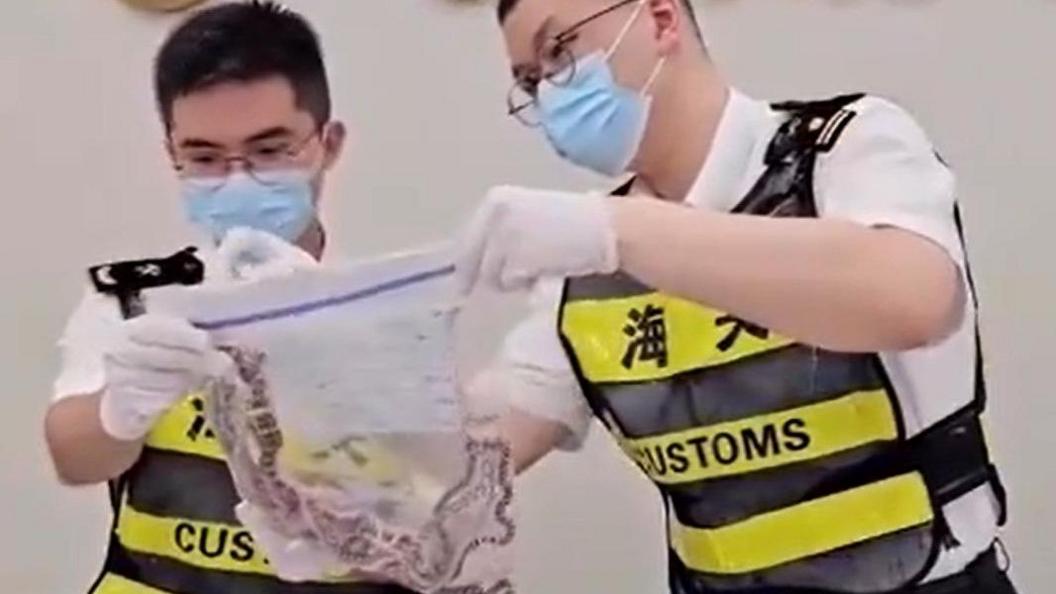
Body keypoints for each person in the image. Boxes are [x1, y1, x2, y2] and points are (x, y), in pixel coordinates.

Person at [459, 0, 1018, 592]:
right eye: (529, 81)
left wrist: (619, 233)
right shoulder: (584, 278)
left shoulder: (843, 149)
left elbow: (914, 298)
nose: (548, 92)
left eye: (560, 51)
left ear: (661, 17)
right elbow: (461, 465)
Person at [43, 2, 416, 593]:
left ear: (327, 143)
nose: (238, 179)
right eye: (206, 158)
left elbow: (440, 527)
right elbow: (73, 457)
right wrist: (119, 409)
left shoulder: (395, 316)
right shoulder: (137, 302)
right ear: (173, 154)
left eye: (271, 150)